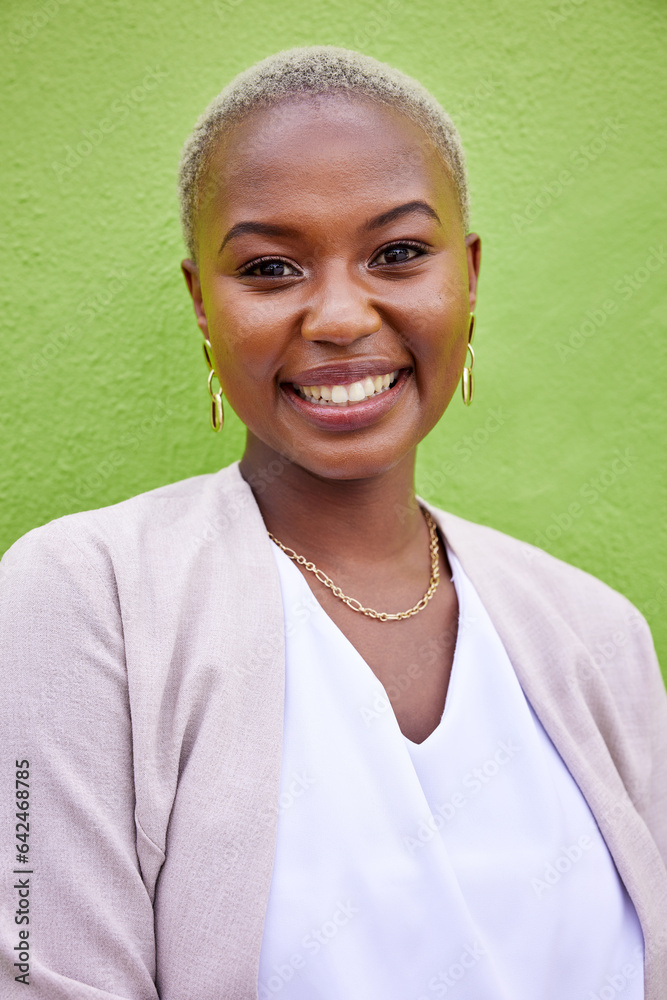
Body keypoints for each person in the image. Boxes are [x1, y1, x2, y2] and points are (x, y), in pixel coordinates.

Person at [1, 45, 666, 1000]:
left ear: (466, 277)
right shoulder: (88, 595)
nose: (341, 315)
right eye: (270, 267)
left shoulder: (598, 638)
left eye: (397, 253)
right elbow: (37, 972)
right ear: (201, 303)